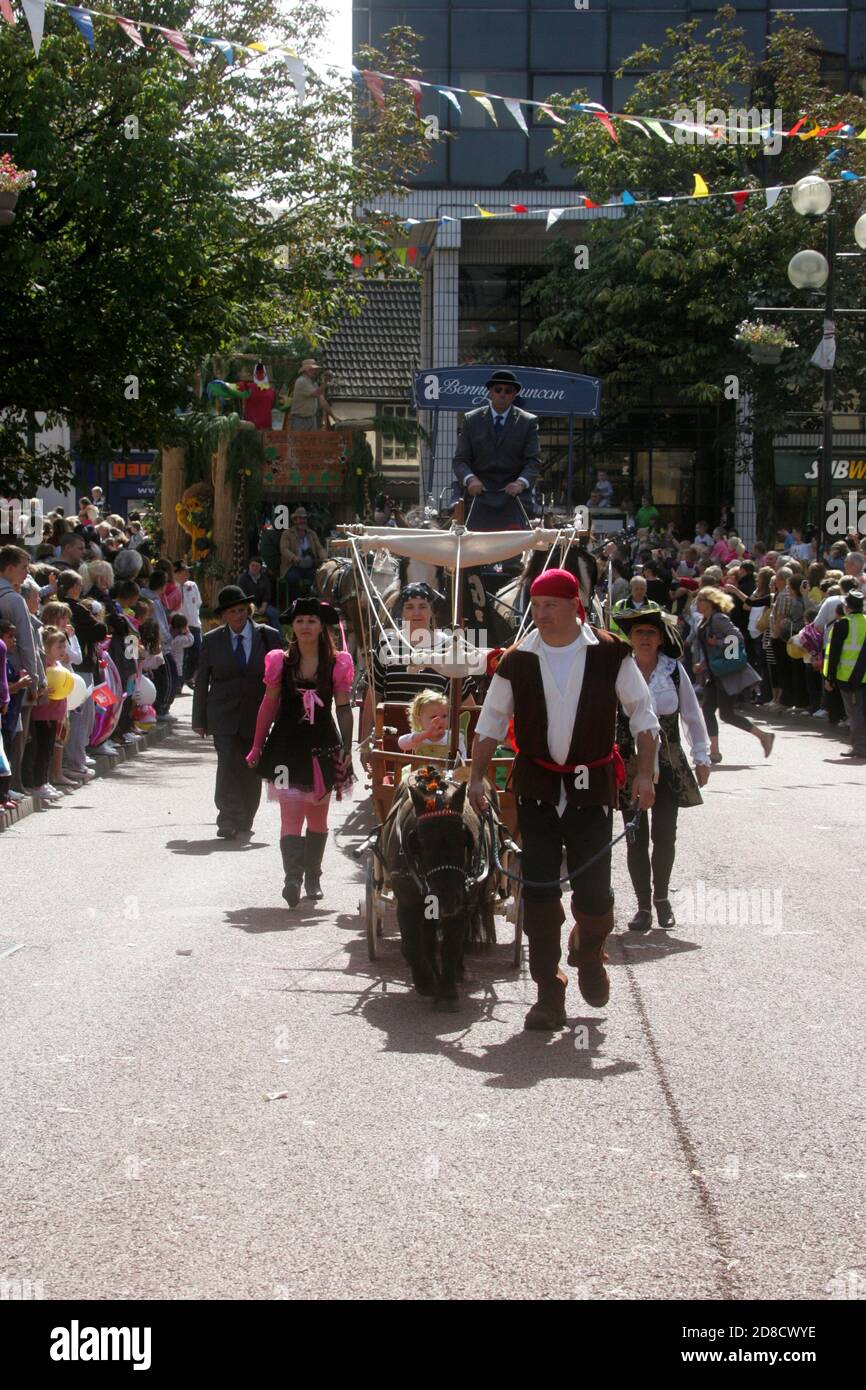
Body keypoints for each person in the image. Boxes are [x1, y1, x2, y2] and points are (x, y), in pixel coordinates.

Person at [469, 568, 659, 1032]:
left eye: (551, 604)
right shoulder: (517, 659)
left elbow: (643, 714)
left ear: (575, 604)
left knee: (594, 893)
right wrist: (475, 777)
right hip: (535, 789)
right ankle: (547, 991)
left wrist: (647, 775)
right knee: (538, 893)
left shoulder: (611, 652)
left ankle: (590, 953)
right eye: (536, 605)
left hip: (591, 789)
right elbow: (490, 721)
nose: (542, 613)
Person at [245, 598, 354, 906]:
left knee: (317, 818)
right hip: (285, 747)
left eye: (312, 621)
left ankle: (313, 875)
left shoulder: (338, 663)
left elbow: (344, 709)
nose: (306, 626)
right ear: (293, 626)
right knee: (290, 814)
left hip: (322, 747)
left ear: (322, 627)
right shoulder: (280, 660)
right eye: (300, 621)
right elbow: (268, 704)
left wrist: (347, 747)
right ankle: (292, 877)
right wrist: (256, 745)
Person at [614, 606, 711, 932]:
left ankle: (661, 900)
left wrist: (702, 756)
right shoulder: (619, 670)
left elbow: (693, 715)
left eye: (650, 633)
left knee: (665, 836)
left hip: (669, 765)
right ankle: (643, 907)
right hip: (629, 766)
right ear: (630, 638)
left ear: (659, 640)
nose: (644, 638)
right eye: (639, 632)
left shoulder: (672, 671)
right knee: (635, 838)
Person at [191, 585, 284, 839]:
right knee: (227, 763)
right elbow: (202, 682)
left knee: (250, 766)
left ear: (248, 610)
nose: (238, 616)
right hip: (222, 713)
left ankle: (245, 816)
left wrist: (282, 716)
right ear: (224, 615)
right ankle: (227, 816)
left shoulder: (269, 637)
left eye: (242, 610)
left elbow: (284, 679)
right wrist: (198, 719)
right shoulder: (212, 640)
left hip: (257, 714)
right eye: (232, 611)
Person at [358, 582, 472, 768]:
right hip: (394, 740)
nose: (416, 613)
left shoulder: (448, 647)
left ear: (431, 611)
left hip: (435, 746)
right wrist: (365, 744)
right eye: (410, 607)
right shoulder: (387, 645)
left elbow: (467, 703)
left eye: (422, 606)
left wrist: (468, 748)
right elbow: (374, 695)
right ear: (402, 612)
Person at [450, 369, 541, 531]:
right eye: (498, 390)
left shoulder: (528, 422)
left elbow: (533, 462)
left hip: (513, 495)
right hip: (479, 494)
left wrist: (520, 483)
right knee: (476, 549)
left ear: (514, 395)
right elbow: (460, 460)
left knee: (512, 552)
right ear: (490, 392)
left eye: (508, 391)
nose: (502, 394)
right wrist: (471, 480)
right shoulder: (472, 420)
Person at [693, 587, 773, 762]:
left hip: (725, 674)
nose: (697, 603)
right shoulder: (704, 621)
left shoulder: (718, 619)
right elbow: (709, 649)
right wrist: (703, 664)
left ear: (710, 602)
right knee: (707, 709)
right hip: (714, 674)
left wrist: (719, 643)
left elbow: (737, 638)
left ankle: (763, 736)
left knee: (726, 714)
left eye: (700, 599)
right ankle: (714, 751)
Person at [21, 625, 71, 802]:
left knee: (49, 749)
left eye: (64, 647)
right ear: (47, 648)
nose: (63, 650)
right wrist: (44, 690)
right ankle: (37, 783)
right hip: (42, 715)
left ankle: (44, 780)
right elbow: (39, 689)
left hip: (55, 715)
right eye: (59, 647)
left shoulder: (58, 665)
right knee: (40, 750)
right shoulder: (44, 666)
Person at [824, 589, 866, 759]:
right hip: (862, 676)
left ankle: (860, 747)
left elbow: (833, 654)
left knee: (855, 713)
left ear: (846, 607)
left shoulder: (842, 624)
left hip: (849, 677)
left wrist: (829, 678)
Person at [397, 689, 468, 778]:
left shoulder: (453, 737)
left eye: (444, 716)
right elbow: (401, 743)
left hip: (446, 777)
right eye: (434, 717)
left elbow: (463, 759)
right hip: (421, 777)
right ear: (419, 720)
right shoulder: (419, 737)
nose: (440, 721)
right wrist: (426, 734)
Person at [279, 508, 326, 600]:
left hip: (309, 566)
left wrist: (325, 558)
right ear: (295, 520)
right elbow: (284, 549)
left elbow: (319, 548)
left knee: (320, 576)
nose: (302, 521)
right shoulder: (287, 534)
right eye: (299, 518)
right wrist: (293, 557)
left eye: (304, 518)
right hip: (292, 566)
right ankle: (296, 605)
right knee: (293, 579)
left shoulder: (312, 534)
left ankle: (313, 603)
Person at [174, 561, 203, 688]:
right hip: (179, 625)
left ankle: (187, 677)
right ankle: (179, 681)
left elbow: (198, 602)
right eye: (185, 571)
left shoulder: (192, 585)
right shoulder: (172, 587)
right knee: (180, 655)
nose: (188, 574)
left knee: (197, 652)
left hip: (194, 624)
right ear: (177, 573)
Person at [237, 555, 281, 629]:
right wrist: (252, 606)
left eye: (257, 566)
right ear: (249, 566)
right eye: (252, 565)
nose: (254, 568)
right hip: (247, 605)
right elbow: (242, 595)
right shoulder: (242, 579)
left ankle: (279, 637)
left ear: (260, 567)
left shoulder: (264, 579)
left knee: (274, 613)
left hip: (263, 605)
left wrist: (263, 607)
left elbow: (267, 594)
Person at [289, 358, 332, 430]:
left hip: (311, 418)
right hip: (300, 420)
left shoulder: (313, 383)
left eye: (314, 369)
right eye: (311, 369)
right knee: (300, 440)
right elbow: (315, 394)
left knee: (311, 440)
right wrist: (326, 383)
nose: (314, 371)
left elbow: (322, 401)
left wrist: (333, 416)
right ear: (305, 370)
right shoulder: (301, 381)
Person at [168, 613, 194, 698]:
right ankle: (177, 689)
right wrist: (188, 632)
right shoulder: (180, 639)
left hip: (169, 660)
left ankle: (175, 689)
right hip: (177, 663)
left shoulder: (169, 633)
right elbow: (191, 641)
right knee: (178, 677)